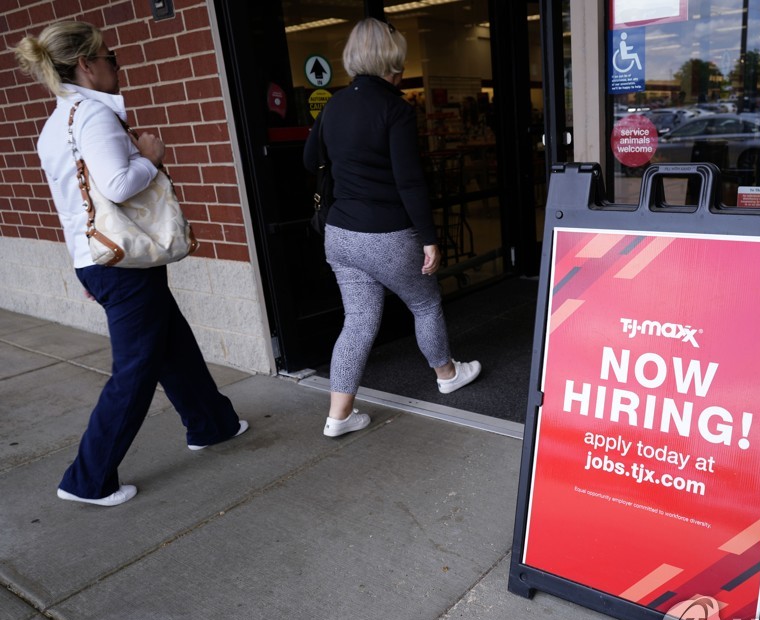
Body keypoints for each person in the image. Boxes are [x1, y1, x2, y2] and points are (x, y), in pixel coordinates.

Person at [13, 21, 248, 507]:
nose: (116, 65)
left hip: (104, 258)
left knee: (171, 344)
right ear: (86, 64)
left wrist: (86, 264)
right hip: (121, 263)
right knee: (136, 369)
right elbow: (119, 186)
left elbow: (71, 205)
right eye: (110, 57)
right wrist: (151, 157)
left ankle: (212, 424)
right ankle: (86, 479)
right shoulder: (92, 117)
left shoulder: (55, 125)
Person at [303, 18, 481, 439]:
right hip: (385, 233)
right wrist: (429, 237)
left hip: (340, 234)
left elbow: (311, 161)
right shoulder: (396, 108)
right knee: (424, 304)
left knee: (358, 321)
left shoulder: (334, 105)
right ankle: (447, 372)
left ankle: (338, 416)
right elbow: (409, 180)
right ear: (391, 62)